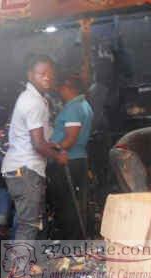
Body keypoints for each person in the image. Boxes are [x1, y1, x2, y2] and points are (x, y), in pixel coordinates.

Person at [1, 55, 68, 241]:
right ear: (30, 75)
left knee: (29, 221)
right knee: (29, 223)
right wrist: (58, 156)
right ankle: (20, 269)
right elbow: (37, 144)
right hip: (26, 169)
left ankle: (26, 266)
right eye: (42, 74)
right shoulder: (34, 102)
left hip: (20, 168)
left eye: (50, 74)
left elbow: (38, 139)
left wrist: (51, 145)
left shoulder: (34, 98)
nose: (47, 78)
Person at [48, 74, 93, 239]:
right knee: (75, 201)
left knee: (67, 203)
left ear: (68, 88)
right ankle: (76, 237)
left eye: (61, 89)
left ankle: (70, 239)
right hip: (78, 158)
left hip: (68, 160)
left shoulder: (74, 108)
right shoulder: (83, 104)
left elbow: (70, 139)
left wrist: (51, 146)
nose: (60, 92)